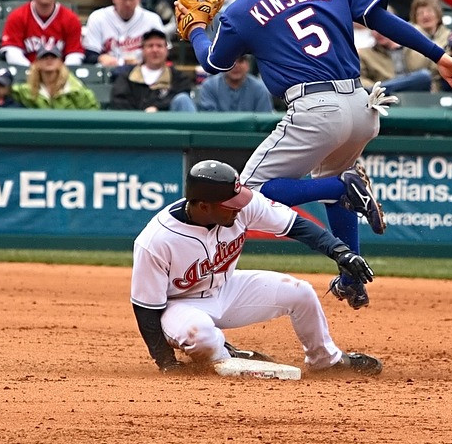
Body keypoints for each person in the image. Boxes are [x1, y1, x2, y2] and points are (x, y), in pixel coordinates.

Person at [183, 0, 452, 308]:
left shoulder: (242, 9)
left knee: (247, 195)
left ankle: (342, 186)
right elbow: (385, 21)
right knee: (334, 183)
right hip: (363, 104)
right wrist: (440, 56)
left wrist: (198, 30)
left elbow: (213, 63)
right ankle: (352, 276)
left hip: (314, 109)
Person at [130, 159, 381, 374]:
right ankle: (226, 357)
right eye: (231, 206)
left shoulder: (240, 205)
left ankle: (326, 360)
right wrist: (166, 362)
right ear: (203, 206)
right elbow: (145, 307)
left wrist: (341, 253)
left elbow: (296, 225)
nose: (240, 209)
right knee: (202, 337)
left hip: (226, 288)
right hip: (180, 306)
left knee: (300, 292)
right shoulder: (156, 240)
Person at [1, 0, 84, 69]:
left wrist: (58, 74)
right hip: (26, 76)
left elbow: (74, 55)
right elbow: (12, 52)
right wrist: (34, 73)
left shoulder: (71, 19)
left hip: (59, 79)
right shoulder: (18, 16)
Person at [82, 0, 167, 68]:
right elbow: (90, 55)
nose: (128, 3)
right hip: (108, 72)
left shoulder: (152, 19)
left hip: (142, 72)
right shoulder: (98, 17)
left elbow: (163, 52)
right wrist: (100, 58)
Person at [109, 28, 195, 112]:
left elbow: (183, 94)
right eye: (150, 46)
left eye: (159, 46)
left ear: (166, 50)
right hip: (135, 124)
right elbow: (119, 102)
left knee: (183, 99)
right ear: (142, 50)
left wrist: (157, 107)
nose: (155, 50)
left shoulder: (178, 78)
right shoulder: (127, 77)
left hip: (169, 123)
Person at [12, 48, 100, 109]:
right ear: (37, 63)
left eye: (53, 57)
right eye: (44, 57)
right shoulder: (25, 91)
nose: (49, 60)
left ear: (60, 62)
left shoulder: (77, 91)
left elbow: (92, 113)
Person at [196, 54, 272, 112]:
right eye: (231, 61)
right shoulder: (209, 86)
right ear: (222, 64)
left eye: (241, 61)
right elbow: (208, 121)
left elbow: (264, 122)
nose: (236, 66)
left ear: (248, 64)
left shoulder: (260, 89)